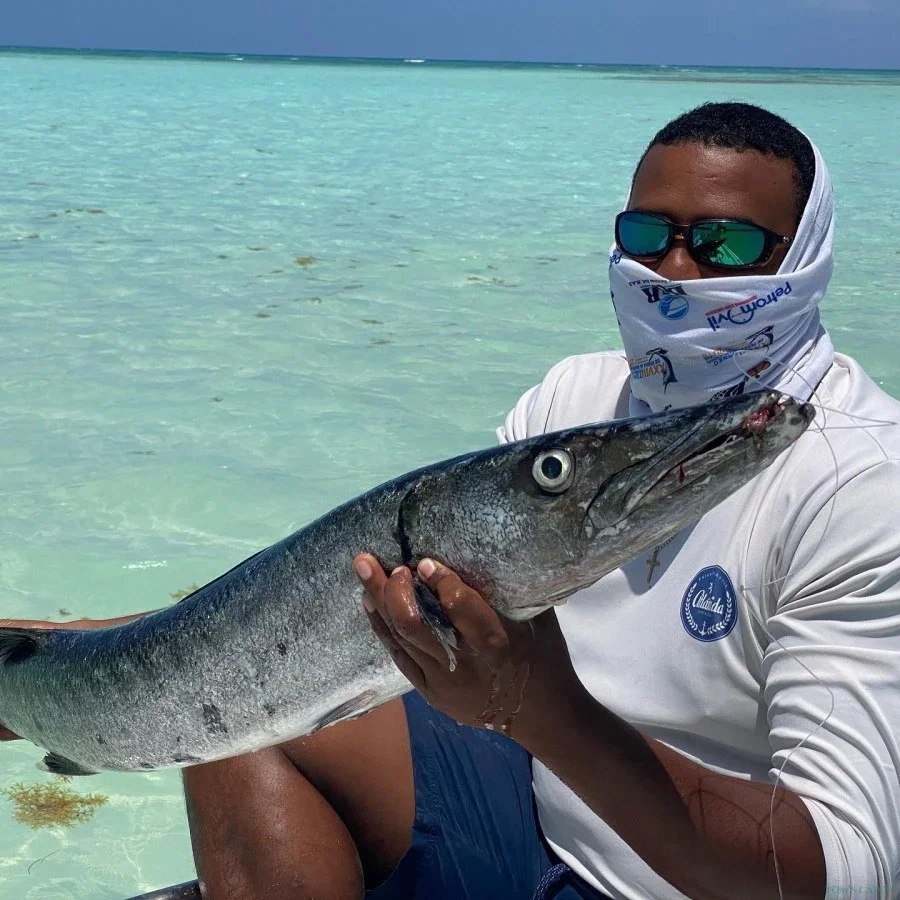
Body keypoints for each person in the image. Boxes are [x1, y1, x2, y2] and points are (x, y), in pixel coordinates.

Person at [4, 102, 899, 900]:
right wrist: (40, 658)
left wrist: (540, 712)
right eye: (645, 233)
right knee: (247, 724)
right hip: (528, 795)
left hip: (688, 874)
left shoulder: (866, 487)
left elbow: (848, 874)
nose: (673, 267)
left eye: (726, 245)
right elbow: (315, 617)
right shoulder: (576, 397)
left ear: (807, 256)